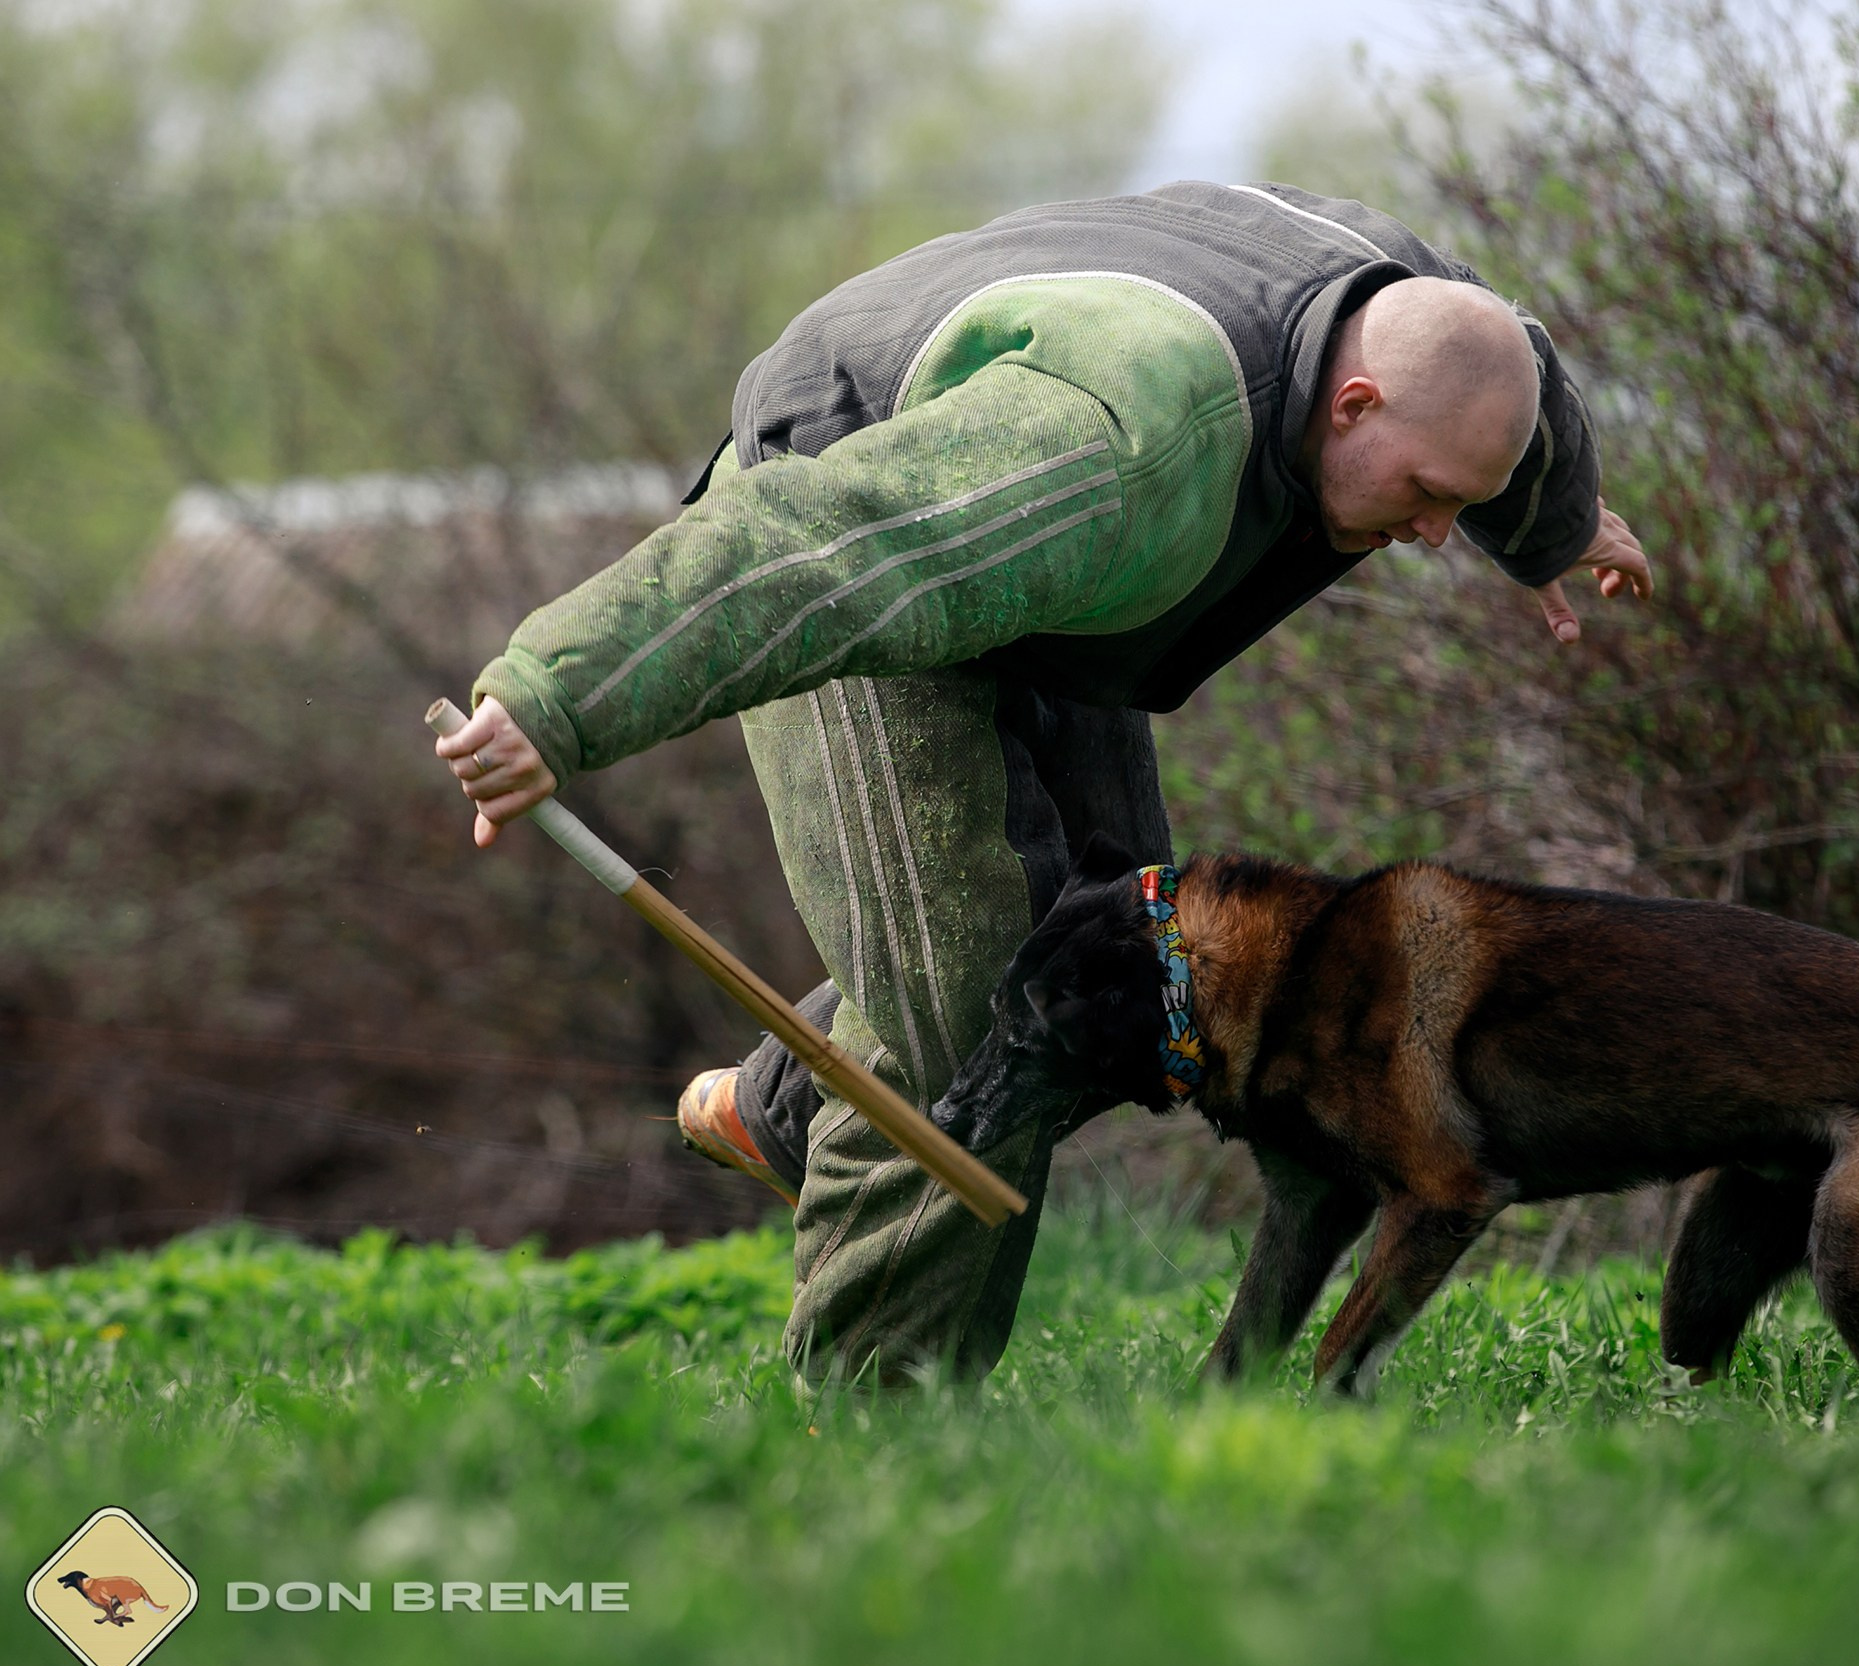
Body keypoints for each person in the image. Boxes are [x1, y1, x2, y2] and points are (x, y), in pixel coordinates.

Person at [433, 181, 1653, 1385]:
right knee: (968, 1024)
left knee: (1128, 975)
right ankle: (876, 1422)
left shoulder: (1405, 307)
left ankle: (787, 1110)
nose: (1434, 536)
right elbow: (824, 548)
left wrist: (1554, 526)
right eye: (1427, 497)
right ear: (1352, 403)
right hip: (864, 533)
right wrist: (555, 696)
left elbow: (1511, 363)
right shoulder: (1111, 452)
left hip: (1036, 573)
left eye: (1463, 505)